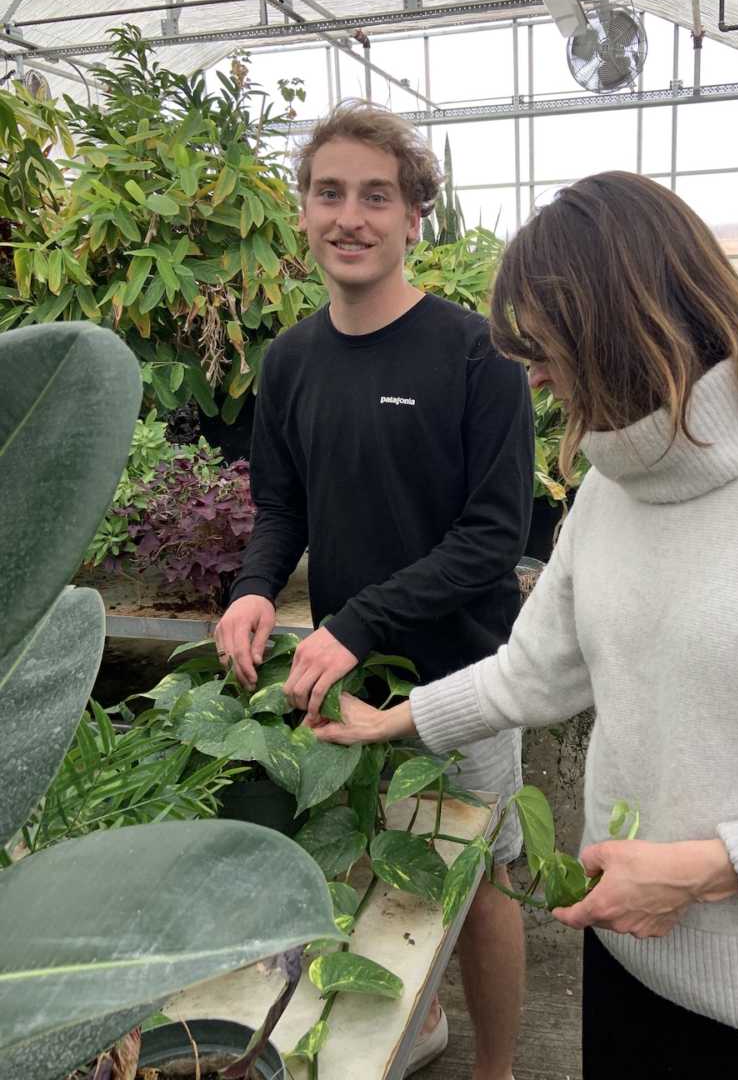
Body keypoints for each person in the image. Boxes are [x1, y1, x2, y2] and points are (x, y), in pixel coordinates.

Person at [310, 170, 738, 1079]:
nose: (534, 376)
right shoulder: (612, 488)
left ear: (624, 322)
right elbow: (536, 668)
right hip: (631, 969)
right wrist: (391, 719)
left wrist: (711, 869)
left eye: (545, 347)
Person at [214, 100, 534, 1080]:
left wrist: (354, 622)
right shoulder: (293, 361)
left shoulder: (474, 355)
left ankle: (500, 1068)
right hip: (352, 673)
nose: (350, 216)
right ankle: (420, 1024)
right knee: (373, 864)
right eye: (329, 193)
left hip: (466, 676)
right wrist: (255, 586)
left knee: (478, 881)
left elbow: (492, 540)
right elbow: (282, 505)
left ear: (412, 218)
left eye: (376, 196)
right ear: (302, 212)